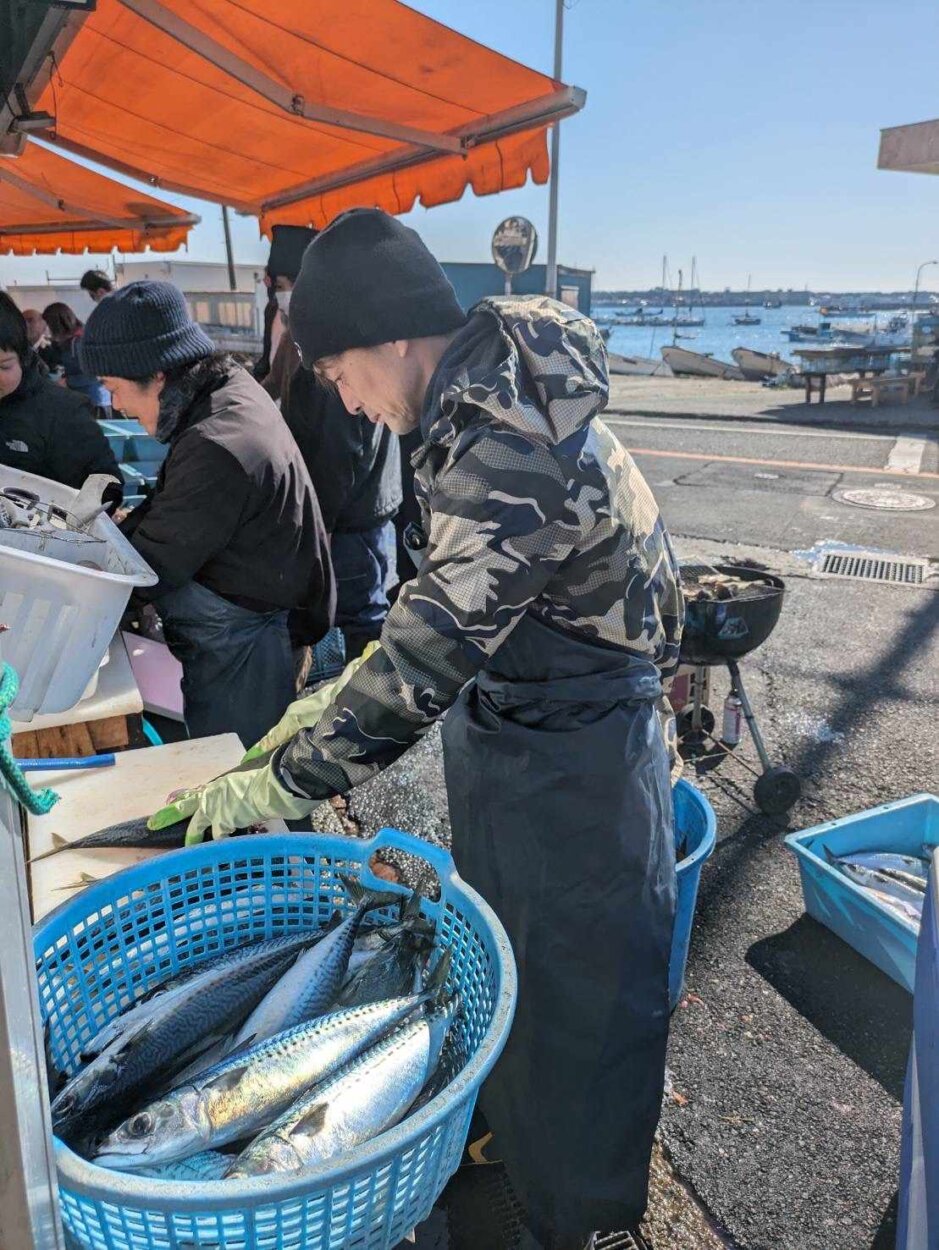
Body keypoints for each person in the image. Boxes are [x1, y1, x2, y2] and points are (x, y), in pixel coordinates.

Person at [172, 210, 683, 1250]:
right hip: (518, 722)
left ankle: (573, 1214)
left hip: (580, 744)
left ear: (393, 336)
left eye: (339, 371)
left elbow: (426, 655)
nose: (344, 398)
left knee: (582, 989)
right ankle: (517, 1136)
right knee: (513, 952)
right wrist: (307, 715)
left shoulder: (506, 436)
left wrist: (287, 777)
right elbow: (429, 604)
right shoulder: (460, 409)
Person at [79, 281, 335, 748]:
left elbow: (151, 566)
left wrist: (79, 604)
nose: (115, 404)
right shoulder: (223, 389)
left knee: (232, 778)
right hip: (256, 609)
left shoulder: (218, 442)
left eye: (114, 388)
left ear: (156, 375)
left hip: (247, 644)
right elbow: (176, 511)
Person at [283, 367, 402, 658]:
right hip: (370, 510)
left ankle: (368, 697)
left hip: (347, 525)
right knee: (369, 616)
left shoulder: (329, 365)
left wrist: (319, 532)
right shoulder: (350, 352)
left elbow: (333, 458)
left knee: (363, 624)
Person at [0, 292, 122, 507]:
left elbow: (105, 487)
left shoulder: (63, 411)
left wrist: (60, 525)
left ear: (23, 356)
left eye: (3, 366)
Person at [43, 302, 112, 418]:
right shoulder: (73, 340)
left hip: (94, 400)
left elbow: (96, 374)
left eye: (48, 325)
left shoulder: (80, 341)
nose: (47, 330)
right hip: (84, 398)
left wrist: (68, 381)